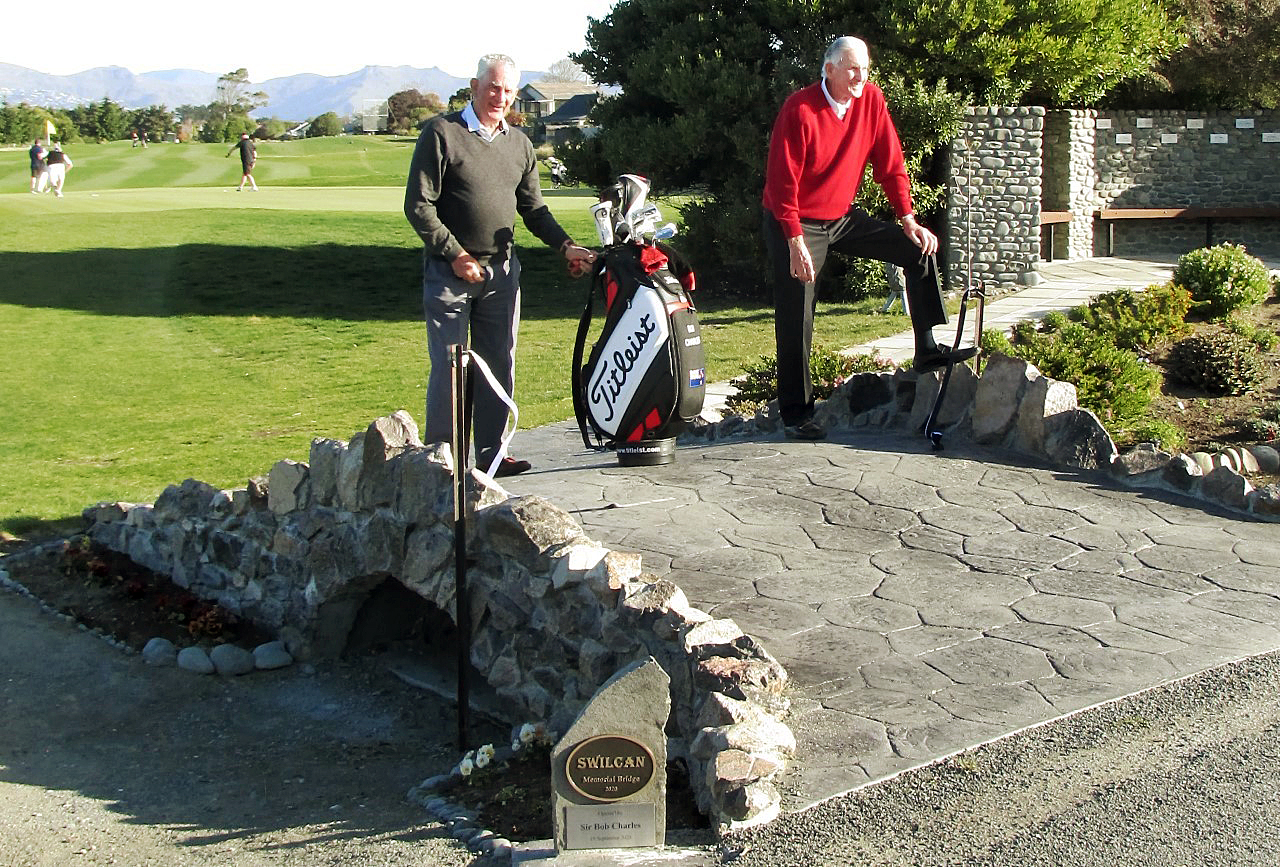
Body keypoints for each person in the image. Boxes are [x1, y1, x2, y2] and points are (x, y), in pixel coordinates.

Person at [762, 36, 973, 441]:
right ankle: (796, 415)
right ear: (829, 70)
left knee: (917, 248)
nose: (861, 76)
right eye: (852, 68)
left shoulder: (871, 100)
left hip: (839, 215)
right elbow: (782, 182)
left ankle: (927, 346)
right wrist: (793, 239)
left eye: (865, 69)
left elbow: (890, 162)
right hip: (794, 220)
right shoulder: (800, 109)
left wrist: (908, 218)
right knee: (796, 313)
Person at [404, 53, 596, 478]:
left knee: (498, 364)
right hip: (448, 274)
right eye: (494, 87)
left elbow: (534, 209)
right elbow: (418, 205)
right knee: (451, 368)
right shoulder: (442, 133)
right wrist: (455, 254)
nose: (501, 97)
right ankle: (444, 466)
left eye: (509, 90)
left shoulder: (519, 144)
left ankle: (492, 455)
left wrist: (565, 246)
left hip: (502, 275)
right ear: (474, 87)